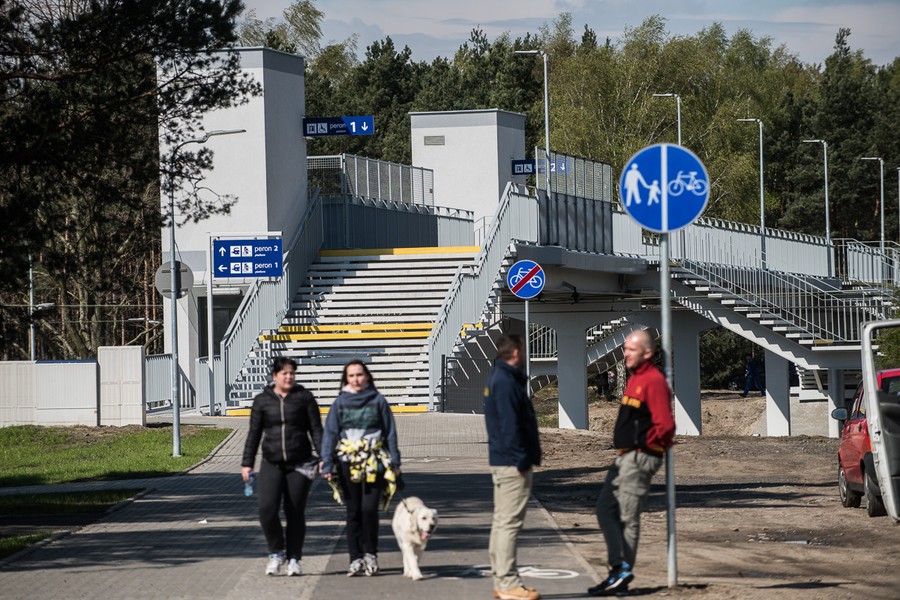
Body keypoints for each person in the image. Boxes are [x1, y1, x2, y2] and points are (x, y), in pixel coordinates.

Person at [590, 330, 675, 597]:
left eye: (631, 350)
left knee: (628, 518)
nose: (625, 353)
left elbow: (666, 426)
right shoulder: (635, 379)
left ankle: (621, 573)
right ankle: (618, 567)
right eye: (625, 349)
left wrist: (645, 450)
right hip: (624, 457)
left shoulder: (653, 381)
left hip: (639, 457)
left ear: (647, 353)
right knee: (605, 509)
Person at [241, 356, 323, 577]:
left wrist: (325, 457)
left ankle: (294, 558)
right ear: (274, 375)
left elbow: (316, 429)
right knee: (267, 509)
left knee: (294, 511)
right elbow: (254, 434)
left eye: (292, 373)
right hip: (271, 463)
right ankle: (277, 552)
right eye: (284, 373)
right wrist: (246, 463)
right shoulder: (262, 401)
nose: (289, 376)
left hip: (300, 464)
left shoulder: (304, 398)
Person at [321, 359, 401, 577]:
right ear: (346, 379)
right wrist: (327, 462)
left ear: (367, 376)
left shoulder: (378, 401)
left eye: (359, 374)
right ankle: (355, 558)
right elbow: (330, 434)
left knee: (369, 509)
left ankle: (370, 554)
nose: (356, 379)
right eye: (351, 375)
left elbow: (390, 432)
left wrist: (395, 462)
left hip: (374, 462)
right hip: (348, 464)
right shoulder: (340, 403)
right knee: (353, 511)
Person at [484, 333, 542, 600]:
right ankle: (508, 585)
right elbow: (511, 427)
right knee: (508, 524)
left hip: (503, 461)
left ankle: (502, 580)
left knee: (501, 523)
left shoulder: (500, 378)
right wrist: (521, 460)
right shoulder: (506, 381)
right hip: (511, 464)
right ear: (517, 352)